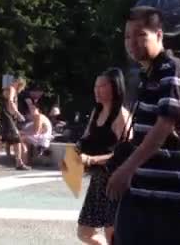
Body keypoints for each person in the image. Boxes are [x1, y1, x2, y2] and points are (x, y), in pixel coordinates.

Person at [107, 6, 180, 244]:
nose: (132, 42)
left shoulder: (173, 69)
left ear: (159, 35)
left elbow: (164, 126)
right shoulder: (147, 75)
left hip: (171, 202)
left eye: (140, 34)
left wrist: (126, 169)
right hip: (142, 197)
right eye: (127, 36)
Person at [77, 68, 129, 245]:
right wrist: (75, 155)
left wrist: (92, 160)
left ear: (114, 87)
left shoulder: (121, 115)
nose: (96, 90)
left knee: (112, 233)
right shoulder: (96, 111)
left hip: (116, 180)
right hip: (98, 180)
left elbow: (126, 154)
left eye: (102, 86)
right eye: (95, 86)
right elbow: (84, 140)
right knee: (84, 232)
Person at [0, 78, 30, 170]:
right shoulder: (11, 89)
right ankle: (19, 163)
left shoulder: (9, 89)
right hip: (8, 117)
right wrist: (18, 114)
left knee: (4, 141)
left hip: (9, 117)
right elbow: (10, 101)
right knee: (17, 139)